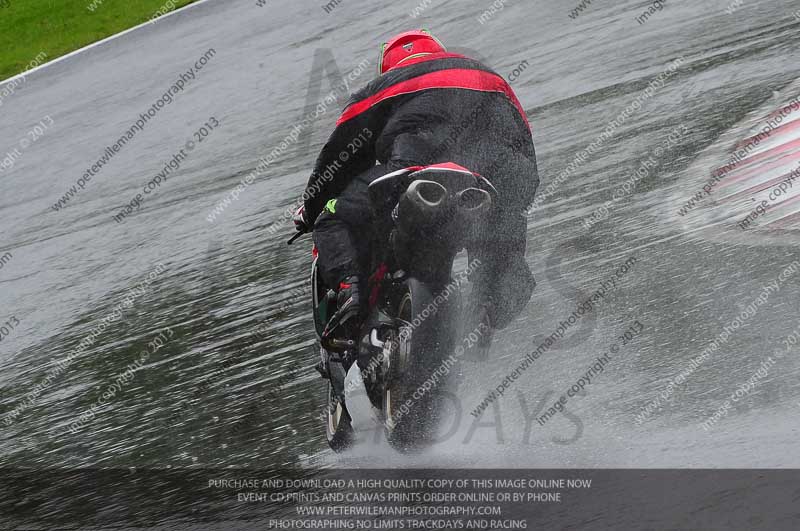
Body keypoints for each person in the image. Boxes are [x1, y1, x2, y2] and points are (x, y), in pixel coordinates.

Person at [293, 29, 538, 344]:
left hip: (414, 168)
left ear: (388, 67)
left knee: (332, 216)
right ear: (439, 52)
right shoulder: (491, 78)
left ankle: (349, 291)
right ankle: (488, 312)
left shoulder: (386, 84)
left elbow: (338, 156)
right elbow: (524, 143)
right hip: (490, 176)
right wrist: (517, 196)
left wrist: (312, 208)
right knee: (503, 234)